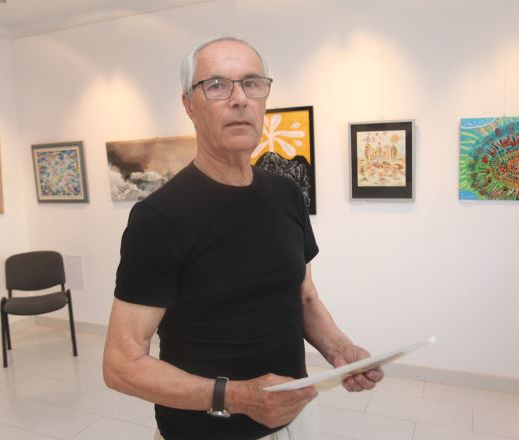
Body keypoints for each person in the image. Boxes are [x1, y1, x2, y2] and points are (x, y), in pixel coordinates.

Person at [103, 36, 384, 440]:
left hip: (297, 419)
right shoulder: (159, 218)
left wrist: (341, 351)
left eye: (252, 83)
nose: (239, 99)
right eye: (217, 85)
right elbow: (121, 365)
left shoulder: (287, 193)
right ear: (189, 105)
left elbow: (304, 296)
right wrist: (236, 397)